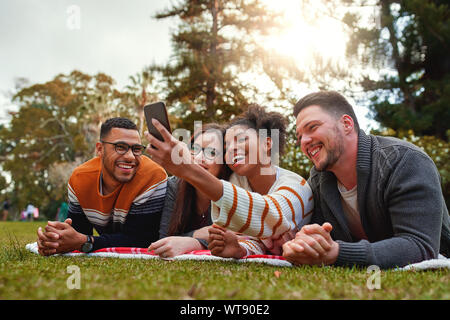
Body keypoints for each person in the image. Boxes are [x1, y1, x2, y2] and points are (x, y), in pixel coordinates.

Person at [282, 90, 450, 269]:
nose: (304, 142)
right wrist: (300, 241)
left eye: (313, 127)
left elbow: (419, 246)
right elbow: (319, 238)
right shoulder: (318, 180)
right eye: (299, 137)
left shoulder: (405, 161)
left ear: (346, 124)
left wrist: (338, 253)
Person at [145, 104, 313, 258]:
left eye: (241, 139)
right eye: (226, 146)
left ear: (267, 144)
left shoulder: (296, 184)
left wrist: (188, 168)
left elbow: (271, 215)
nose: (232, 148)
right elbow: (254, 238)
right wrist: (240, 249)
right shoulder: (238, 182)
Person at [36, 117, 167, 256]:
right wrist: (56, 240)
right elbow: (78, 233)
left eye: (136, 149)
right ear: (100, 149)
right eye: (120, 147)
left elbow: (143, 240)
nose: (130, 157)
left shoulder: (152, 176)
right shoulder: (80, 179)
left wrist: (86, 242)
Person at [149, 124, 232, 258]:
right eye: (195, 149)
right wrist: (199, 234)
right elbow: (165, 239)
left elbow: (232, 240)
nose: (200, 158)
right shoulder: (175, 184)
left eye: (212, 152)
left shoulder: (231, 190)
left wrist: (193, 242)